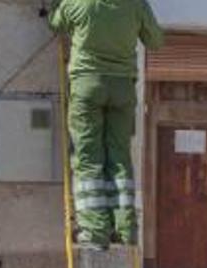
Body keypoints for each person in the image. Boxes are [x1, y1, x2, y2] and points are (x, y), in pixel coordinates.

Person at [47, 0, 164, 248]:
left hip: (87, 85)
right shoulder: (136, 5)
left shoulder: (79, 3)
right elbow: (155, 41)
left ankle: (95, 230)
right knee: (120, 158)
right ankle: (126, 228)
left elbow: (55, 24)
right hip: (123, 89)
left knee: (88, 158)